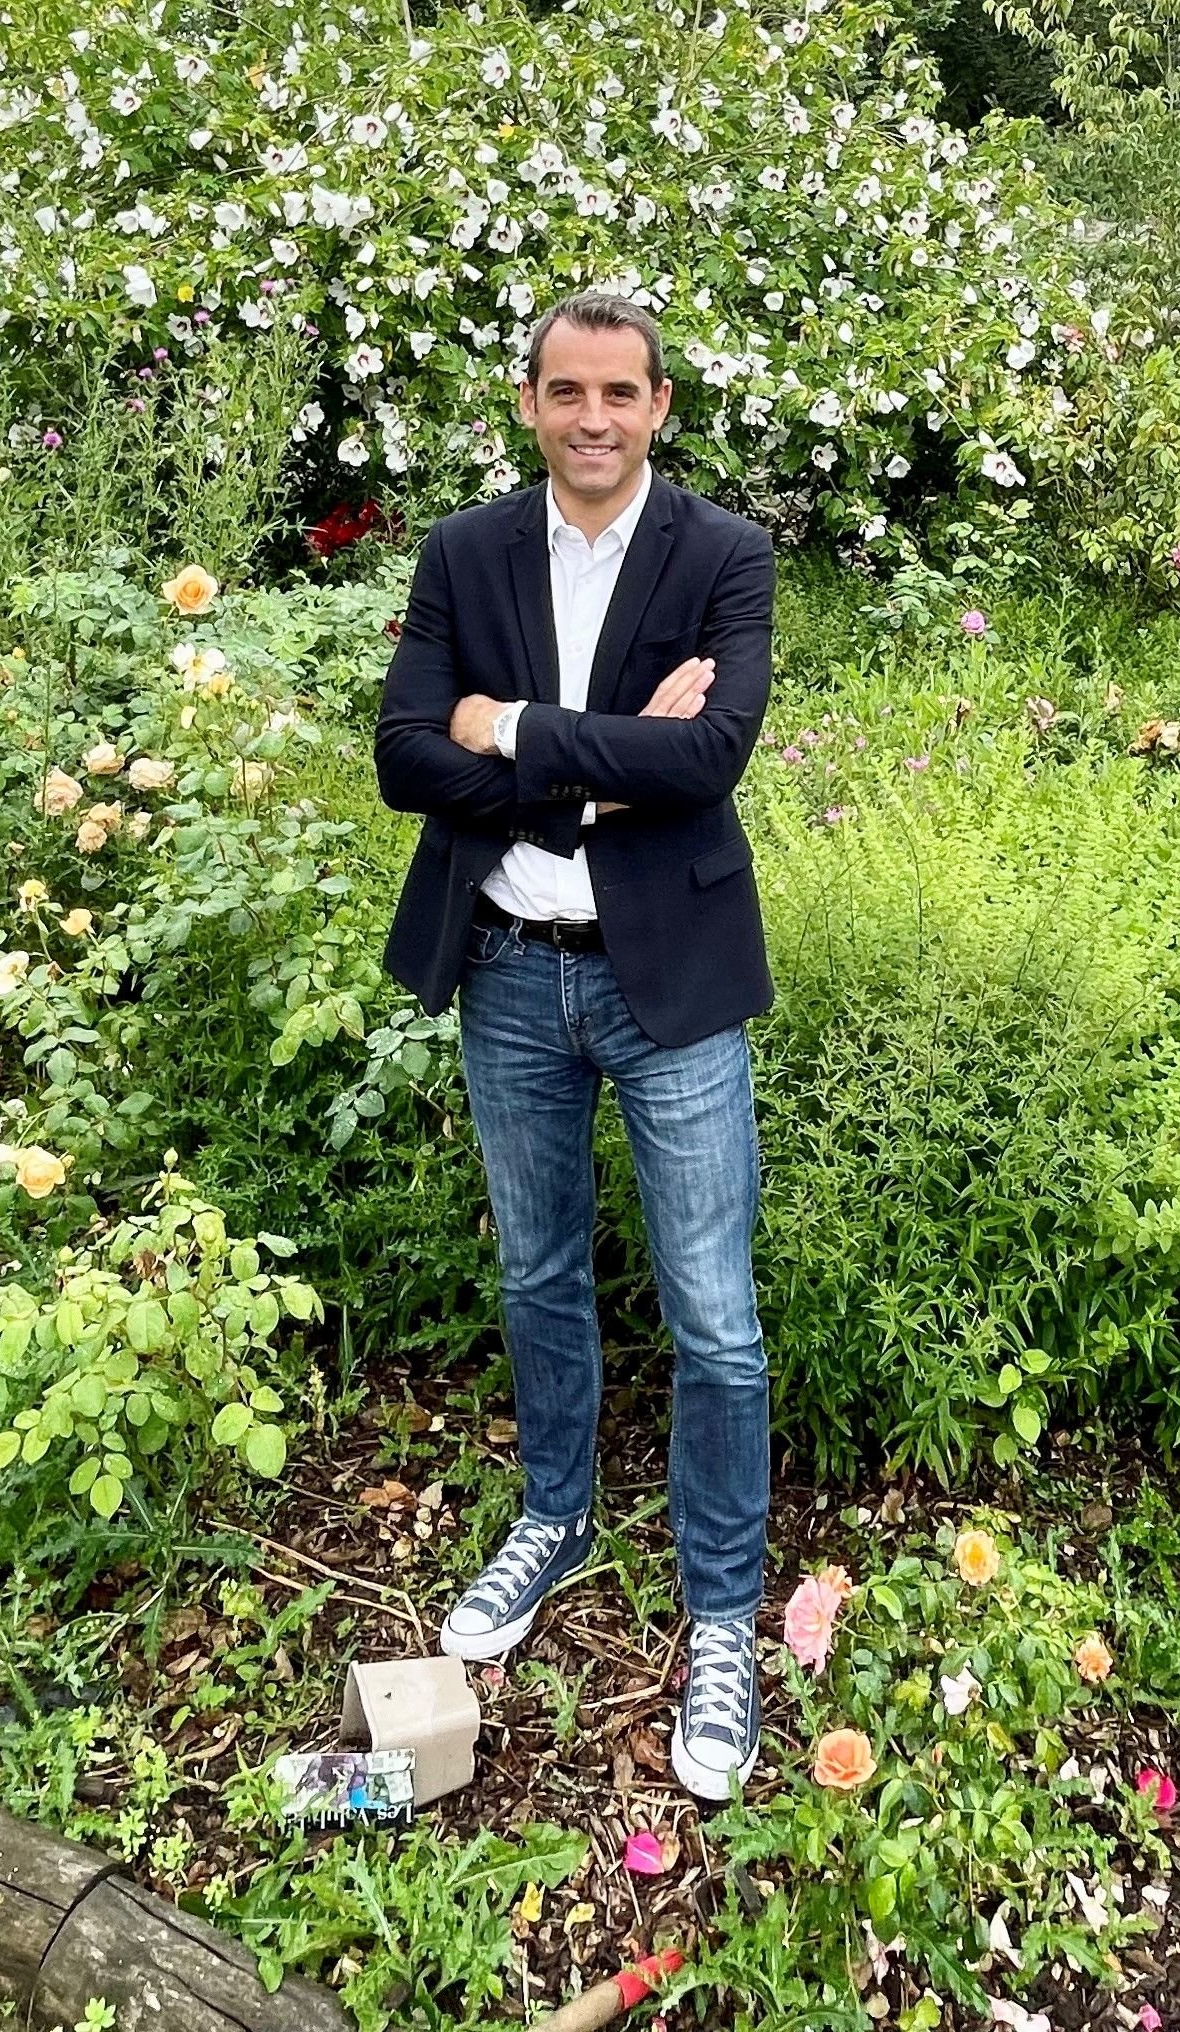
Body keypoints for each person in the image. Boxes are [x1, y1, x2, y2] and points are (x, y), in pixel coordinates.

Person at [373, 286, 778, 1801]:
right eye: (566, 393)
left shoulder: (726, 557)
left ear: (661, 404)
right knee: (536, 1267)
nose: (592, 420)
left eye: (621, 393)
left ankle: (722, 1609)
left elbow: (713, 755)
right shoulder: (466, 550)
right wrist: (609, 762)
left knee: (714, 1312)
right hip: (509, 976)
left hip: (666, 981)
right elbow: (405, 755)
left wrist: (522, 731)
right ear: (529, 401)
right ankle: (558, 1513)